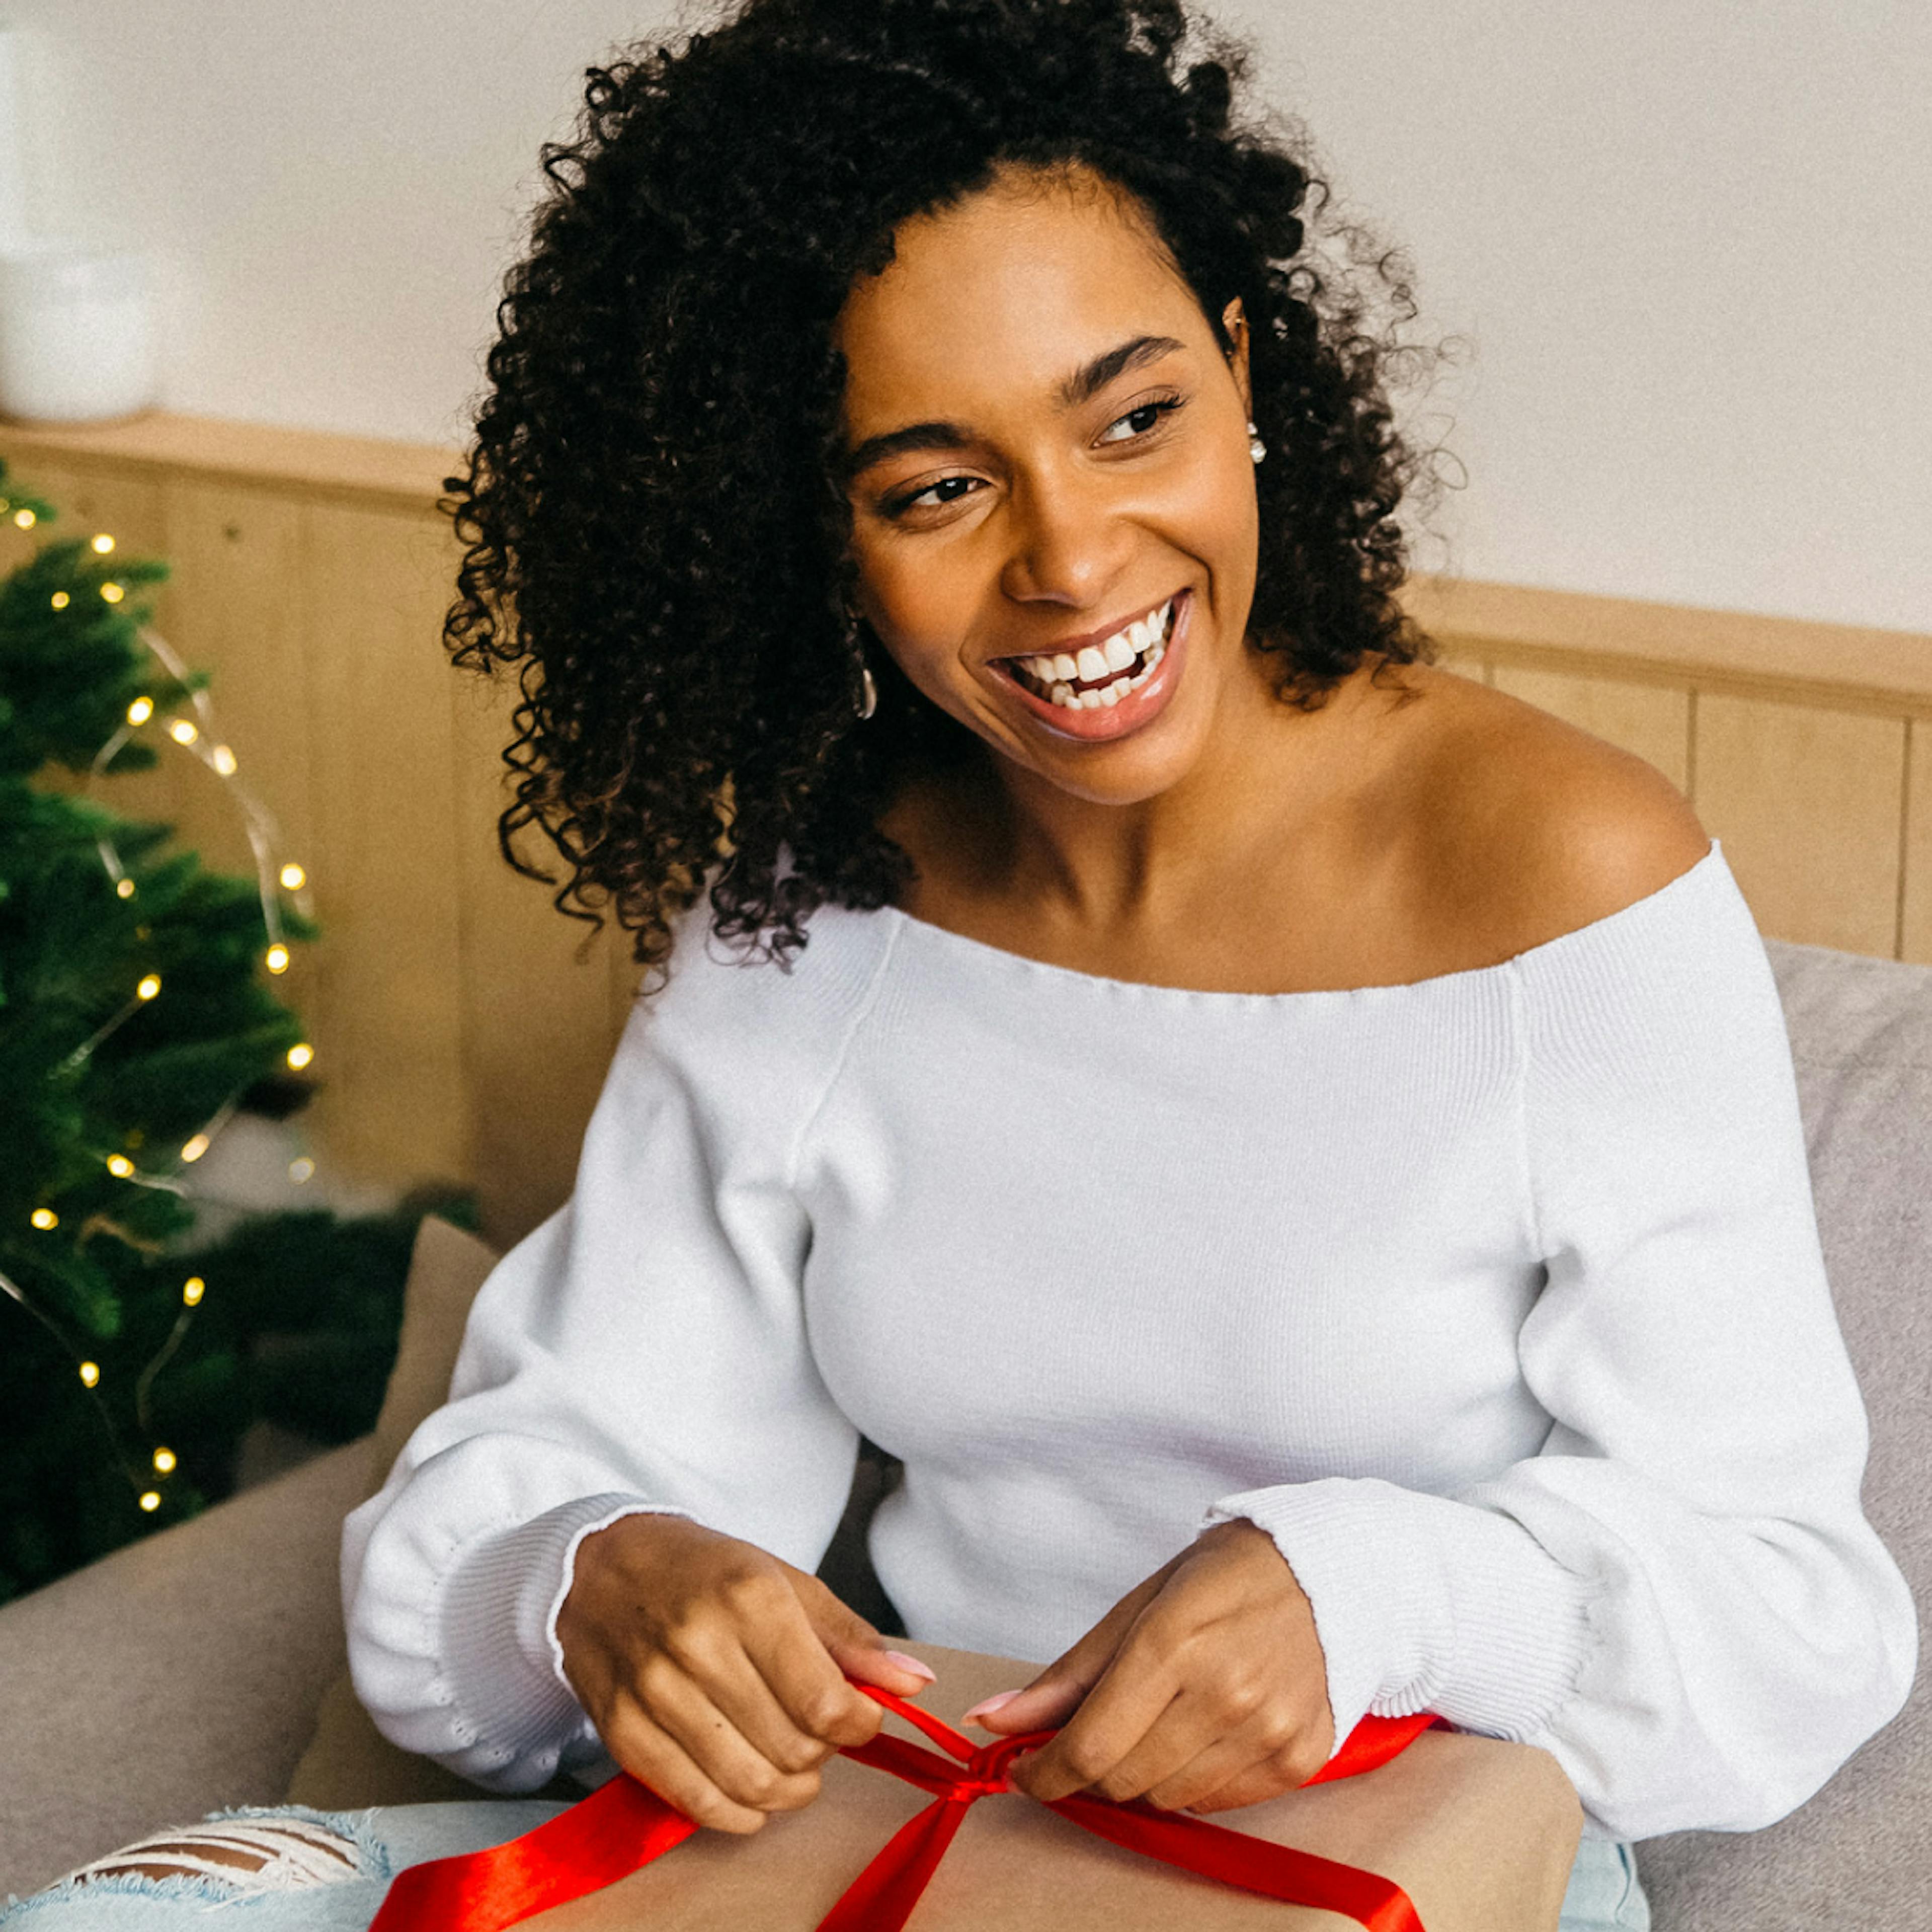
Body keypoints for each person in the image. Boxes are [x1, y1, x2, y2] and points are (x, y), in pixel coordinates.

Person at [7, 2, 1913, 1927]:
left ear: (1244, 372)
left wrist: (1379, 1596)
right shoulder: (821, 909)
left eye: (1136, 416)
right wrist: (592, 1572)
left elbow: (1792, 1602)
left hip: (1402, 1856)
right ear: (811, 538)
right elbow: (559, 1458)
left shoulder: (1564, 884)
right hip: (919, 1826)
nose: (1073, 562)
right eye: (935, 487)